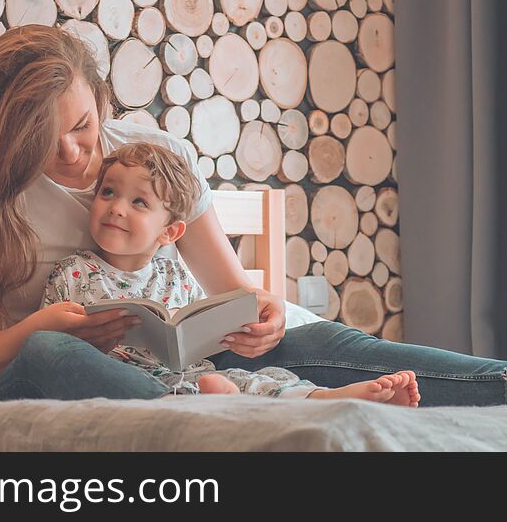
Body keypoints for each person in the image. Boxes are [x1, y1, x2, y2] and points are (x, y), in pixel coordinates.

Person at [0, 24, 507, 407]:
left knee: (317, 334)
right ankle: (228, 414)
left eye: (84, 122)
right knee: (47, 359)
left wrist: (258, 314)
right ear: (10, 139)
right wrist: (50, 323)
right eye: (50, 139)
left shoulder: (152, 158)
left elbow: (231, 291)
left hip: (190, 359)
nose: (80, 151)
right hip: (69, 366)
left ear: (101, 99)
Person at [41, 141, 421, 405]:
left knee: (259, 378)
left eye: (139, 201)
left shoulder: (176, 276)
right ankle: (213, 406)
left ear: (169, 232)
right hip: (122, 381)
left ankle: (326, 398)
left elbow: (196, 335)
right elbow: (53, 349)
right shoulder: (73, 273)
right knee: (199, 386)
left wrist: (226, 334)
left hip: (190, 375)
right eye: (107, 193)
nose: (117, 208)